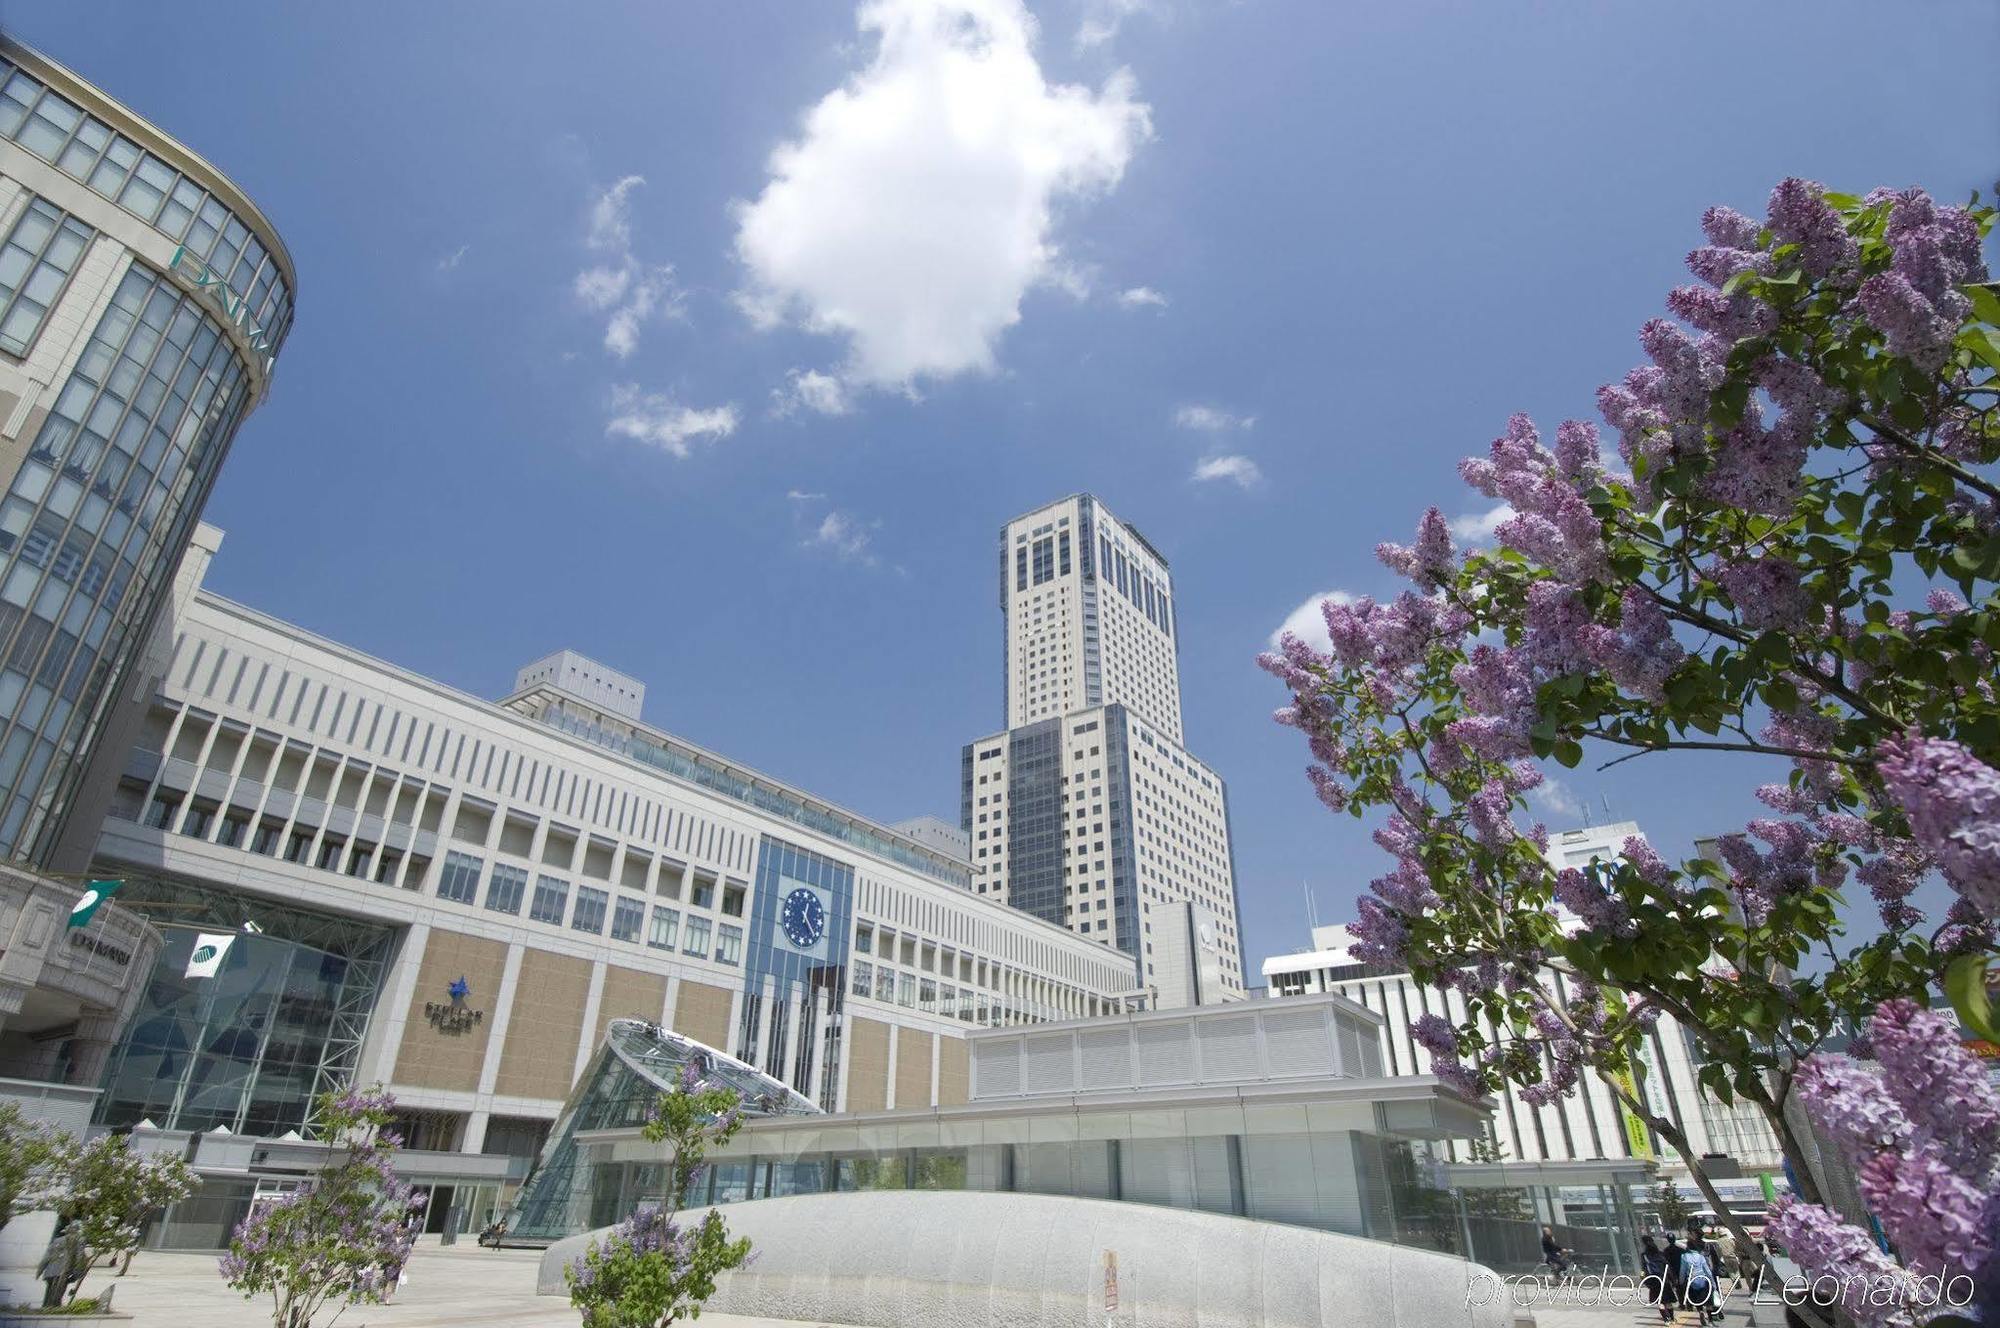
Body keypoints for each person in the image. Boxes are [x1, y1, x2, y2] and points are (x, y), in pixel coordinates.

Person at [36, 1221, 86, 1309]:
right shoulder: (79, 1240)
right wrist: (77, 1273)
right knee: (57, 1295)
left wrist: (39, 1271)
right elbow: (79, 1256)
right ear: (77, 1230)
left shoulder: (56, 1240)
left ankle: (46, 1308)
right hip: (63, 1271)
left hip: (50, 1272)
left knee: (49, 1293)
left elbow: (46, 1257)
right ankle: (53, 1309)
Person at [1680, 1237, 1722, 1325]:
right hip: (1703, 1280)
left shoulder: (1684, 1257)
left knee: (1697, 1300)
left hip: (1691, 1282)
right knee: (1709, 1302)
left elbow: (1682, 1271)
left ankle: (1701, 1312)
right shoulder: (1701, 1257)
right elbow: (1708, 1271)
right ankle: (1710, 1320)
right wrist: (1713, 1284)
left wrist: (1681, 1281)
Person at [1640, 1234, 1672, 1321]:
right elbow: (1667, 1267)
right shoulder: (1660, 1253)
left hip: (1654, 1280)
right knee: (1668, 1301)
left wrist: (1643, 1278)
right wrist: (1671, 1278)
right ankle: (1672, 1319)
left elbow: (1643, 1269)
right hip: (1664, 1279)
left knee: (1660, 1302)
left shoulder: (1644, 1255)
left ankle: (1666, 1320)